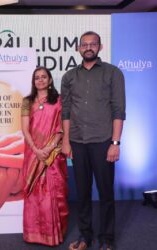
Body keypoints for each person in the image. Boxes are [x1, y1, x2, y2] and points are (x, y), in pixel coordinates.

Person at [61, 31, 126, 250]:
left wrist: (115, 143)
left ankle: (107, 239)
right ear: (79, 48)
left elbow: (118, 110)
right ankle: (85, 237)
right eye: (84, 44)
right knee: (83, 192)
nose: (88, 47)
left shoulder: (112, 73)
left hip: (103, 141)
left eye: (93, 44)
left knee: (106, 192)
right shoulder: (69, 77)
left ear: (100, 47)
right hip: (78, 141)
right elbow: (66, 111)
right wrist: (66, 141)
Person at [21, 67, 69, 246]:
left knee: (53, 193)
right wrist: (36, 149)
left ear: (50, 80)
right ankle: (34, 234)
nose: (40, 80)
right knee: (34, 195)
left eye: (43, 77)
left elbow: (61, 127)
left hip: (52, 154)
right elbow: (25, 129)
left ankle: (53, 234)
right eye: (37, 78)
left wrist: (48, 149)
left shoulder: (59, 101)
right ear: (33, 82)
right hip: (33, 154)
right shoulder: (27, 101)